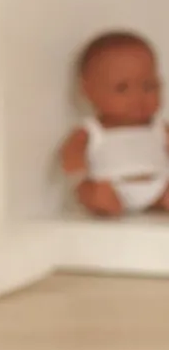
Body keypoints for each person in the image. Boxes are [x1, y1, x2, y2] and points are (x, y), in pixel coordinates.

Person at [59, 30, 169, 216]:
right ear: (88, 91)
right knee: (96, 195)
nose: (138, 98)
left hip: (159, 186)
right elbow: (71, 154)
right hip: (113, 188)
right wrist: (80, 179)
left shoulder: (159, 128)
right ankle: (103, 204)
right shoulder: (93, 131)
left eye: (149, 86)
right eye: (122, 88)